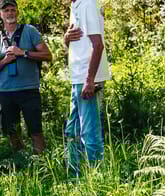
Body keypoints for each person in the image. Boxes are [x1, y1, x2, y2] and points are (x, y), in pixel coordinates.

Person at [0, 0, 52, 155]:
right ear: (0, 14)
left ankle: (42, 165)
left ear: (17, 12)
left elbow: (47, 55)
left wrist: (24, 53)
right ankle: (21, 163)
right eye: (6, 10)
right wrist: (5, 61)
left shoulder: (30, 31)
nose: (10, 13)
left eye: (13, 9)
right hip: (7, 92)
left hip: (29, 90)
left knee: (35, 130)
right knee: (12, 131)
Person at [63, 0, 111, 176]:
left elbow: (97, 45)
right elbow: (77, 43)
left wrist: (90, 80)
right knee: (72, 131)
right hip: (77, 78)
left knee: (89, 133)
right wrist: (66, 38)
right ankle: (75, 178)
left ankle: (98, 179)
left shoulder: (88, 3)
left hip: (87, 78)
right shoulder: (75, 5)